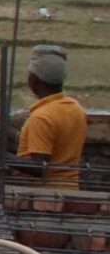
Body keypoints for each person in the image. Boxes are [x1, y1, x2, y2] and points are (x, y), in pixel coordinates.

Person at [10, 46, 85, 188]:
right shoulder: (75, 108)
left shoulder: (42, 117)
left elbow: (40, 167)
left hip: (44, 194)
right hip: (69, 189)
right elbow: (49, 141)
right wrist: (5, 131)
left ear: (33, 80)